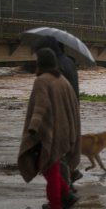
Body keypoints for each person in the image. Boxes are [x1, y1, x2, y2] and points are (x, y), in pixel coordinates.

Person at [18, 48, 81, 209]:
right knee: (48, 167)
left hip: (48, 134)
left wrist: (33, 127)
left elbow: (41, 106)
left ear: (41, 63)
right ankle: (66, 194)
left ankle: (55, 204)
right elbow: (74, 105)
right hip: (64, 133)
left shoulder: (42, 81)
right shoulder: (62, 80)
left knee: (50, 170)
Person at [32, 36, 83, 189]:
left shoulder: (57, 66)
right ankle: (69, 182)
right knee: (64, 151)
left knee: (55, 153)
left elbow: (51, 95)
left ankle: (65, 192)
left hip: (60, 113)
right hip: (72, 109)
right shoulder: (69, 61)